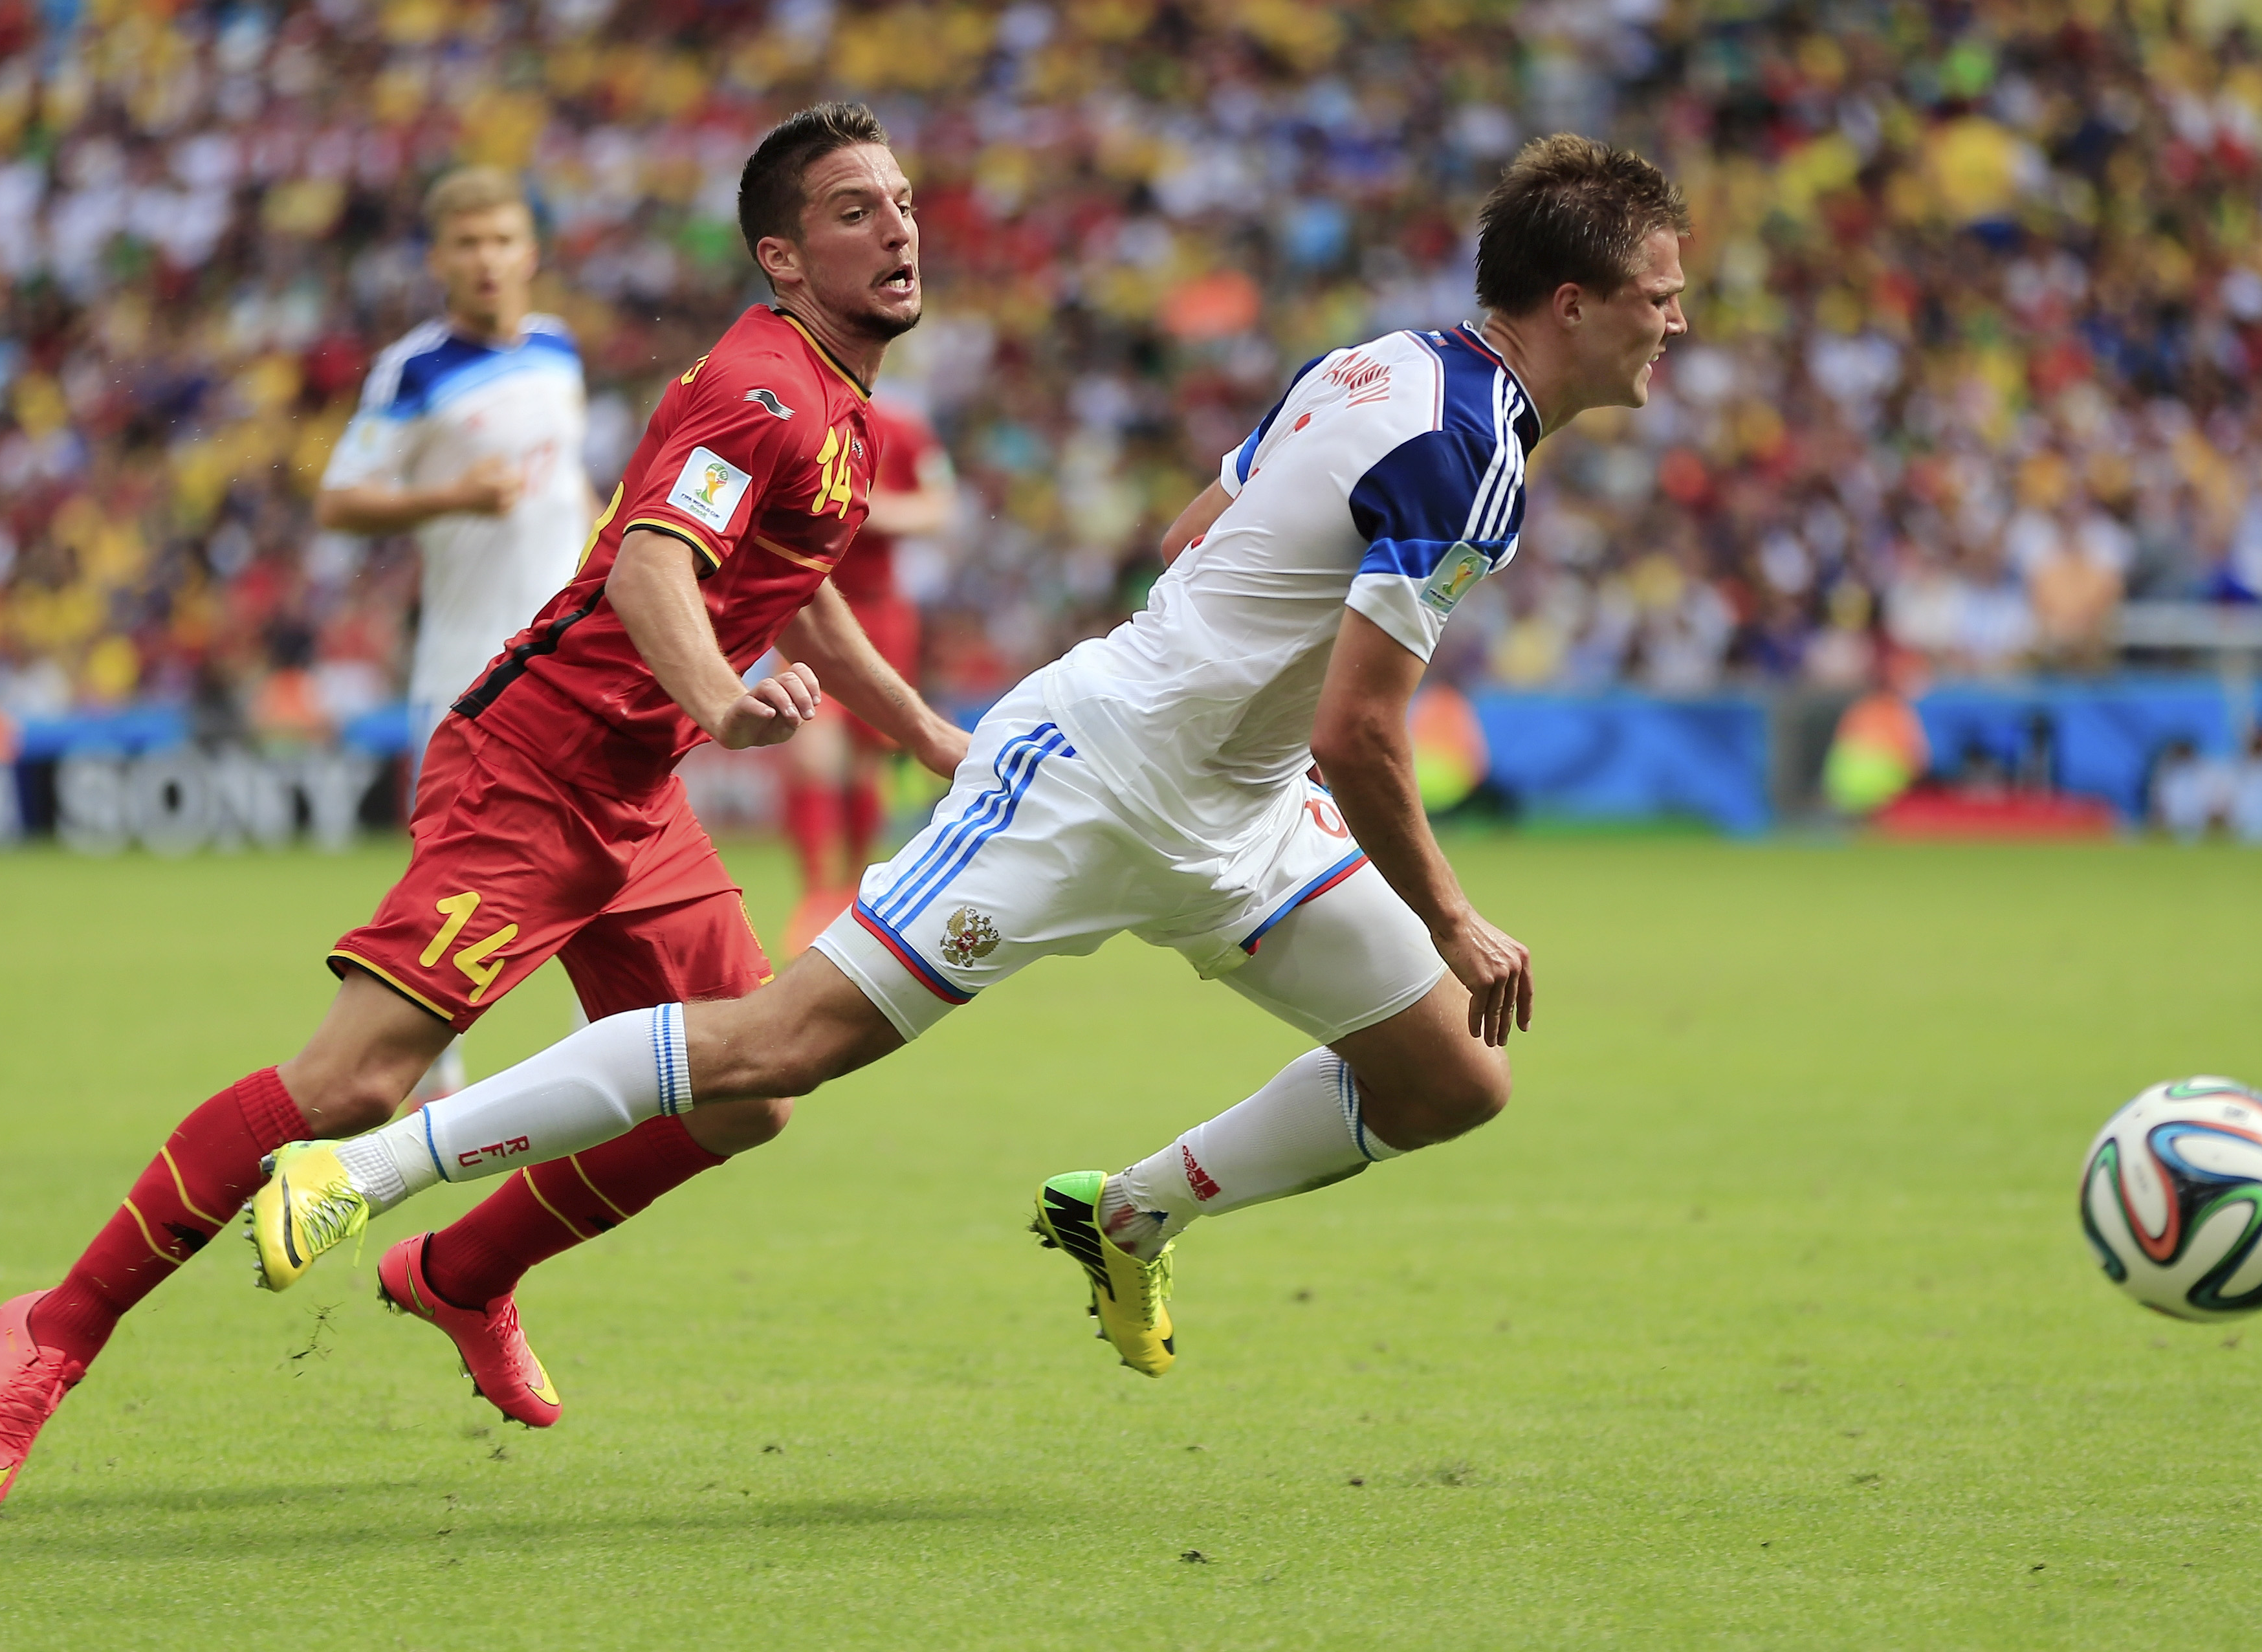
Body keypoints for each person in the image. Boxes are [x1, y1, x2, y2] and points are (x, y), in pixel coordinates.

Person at [256, 134, 1690, 1383]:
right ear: (1574, 303)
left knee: (1448, 1079)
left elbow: (1200, 530)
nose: (1675, 325)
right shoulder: (1473, 453)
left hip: (1238, 807)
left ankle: (1126, 1213)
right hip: (1098, 773)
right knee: (780, 1044)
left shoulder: (1379, 362)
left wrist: (1246, 721)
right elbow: (1363, 727)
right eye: (1660, 297)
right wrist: (1450, 912)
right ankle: (364, 1168)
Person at [0, 102, 967, 1511]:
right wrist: (727, 708)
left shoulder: (833, 403)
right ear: (783, 260)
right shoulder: (763, 387)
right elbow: (649, 575)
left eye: (902, 200)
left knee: (754, 1086)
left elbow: (788, 584)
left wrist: (920, 731)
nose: (900, 225)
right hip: (533, 769)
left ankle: (460, 1268)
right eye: (856, 210)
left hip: (631, 788)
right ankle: (55, 1321)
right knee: (356, 1080)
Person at [315, 165, 595, 1103]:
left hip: (574, 669)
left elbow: (570, 493)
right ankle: (429, 1079)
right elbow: (340, 499)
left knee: (604, 860)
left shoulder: (559, 351)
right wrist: (456, 496)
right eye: (467, 243)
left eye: (503, 240)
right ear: (439, 257)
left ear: (532, 251)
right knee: (449, 884)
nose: (487, 260)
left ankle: (605, 1067)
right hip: (465, 672)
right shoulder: (414, 369)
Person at [779, 396, 956, 954]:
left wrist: (864, 508)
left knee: (864, 761)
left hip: (880, 613)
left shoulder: (906, 427)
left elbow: (938, 508)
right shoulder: (801, 416)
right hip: (805, 604)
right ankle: (814, 894)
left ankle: (850, 890)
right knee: (811, 746)